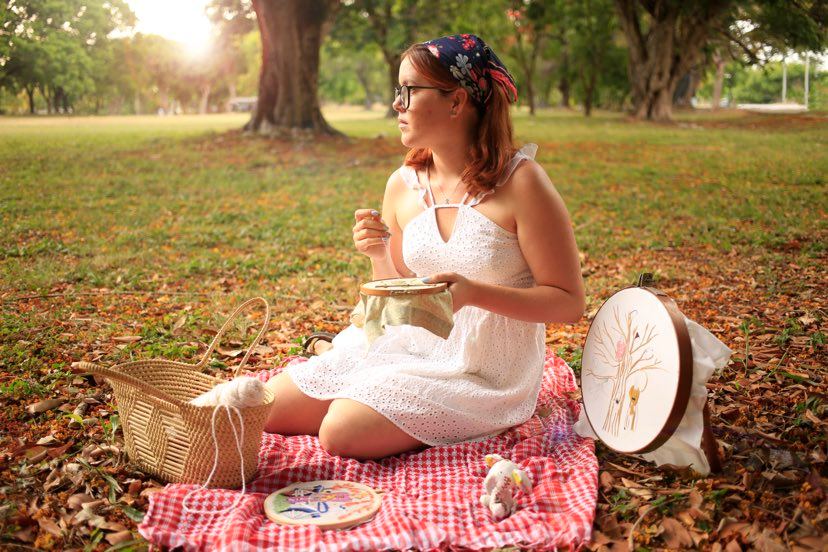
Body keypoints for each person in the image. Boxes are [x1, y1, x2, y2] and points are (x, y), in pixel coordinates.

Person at [264, 34, 585, 461]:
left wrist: (475, 293)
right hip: (408, 345)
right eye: (398, 90)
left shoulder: (522, 183)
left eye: (409, 91)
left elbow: (568, 303)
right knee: (264, 408)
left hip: (483, 372)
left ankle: (373, 400)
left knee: (340, 431)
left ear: (456, 102)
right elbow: (397, 297)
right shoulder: (402, 184)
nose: (396, 104)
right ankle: (367, 390)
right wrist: (378, 254)